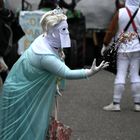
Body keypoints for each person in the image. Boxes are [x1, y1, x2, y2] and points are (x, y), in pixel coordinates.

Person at [0, 8, 108, 140]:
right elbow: (66, 73)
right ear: (51, 31)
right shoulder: (45, 55)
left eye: (66, 28)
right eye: (63, 29)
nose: (67, 32)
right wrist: (90, 71)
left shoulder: (44, 38)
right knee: (25, 131)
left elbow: (41, 71)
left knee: (29, 128)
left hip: (19, 88)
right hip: (20, 94)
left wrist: (52, 83)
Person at [101, 0, 140, 111]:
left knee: (121, 74)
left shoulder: (120, 12)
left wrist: (105, 44)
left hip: (123, 48)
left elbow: (111, 31)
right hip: (137, 47)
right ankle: (138, 104)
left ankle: (116, 103)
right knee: (135, 74)